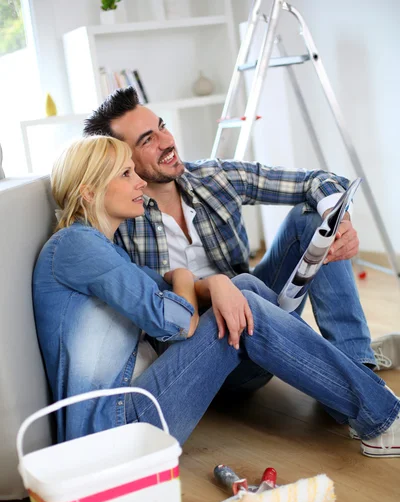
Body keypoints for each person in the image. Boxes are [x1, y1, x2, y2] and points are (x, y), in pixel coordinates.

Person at [33, 135, 400, 457]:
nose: (140, 183)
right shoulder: (76, 245)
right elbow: (176, 322)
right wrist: (184, 275)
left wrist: (215, 283)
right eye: (126, 174)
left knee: (245, 289)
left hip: (133, 410)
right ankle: (381, 415)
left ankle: (349, 391)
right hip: (119, 428)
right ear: (89, 191)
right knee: (248, 307)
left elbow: (170, 297)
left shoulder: (100, 247)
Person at [82, 87, 399, 389]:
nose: (167, 141)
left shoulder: (213, 177)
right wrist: (214, 287)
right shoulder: (118, 220)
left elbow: (315, 180)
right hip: (207, 352)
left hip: (257, 315)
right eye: (148, 140)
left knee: (315, 218)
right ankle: (351, 375)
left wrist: (340, 221)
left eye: (162, 126)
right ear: (122, 158)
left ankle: (357, 367)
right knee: (243, 288)